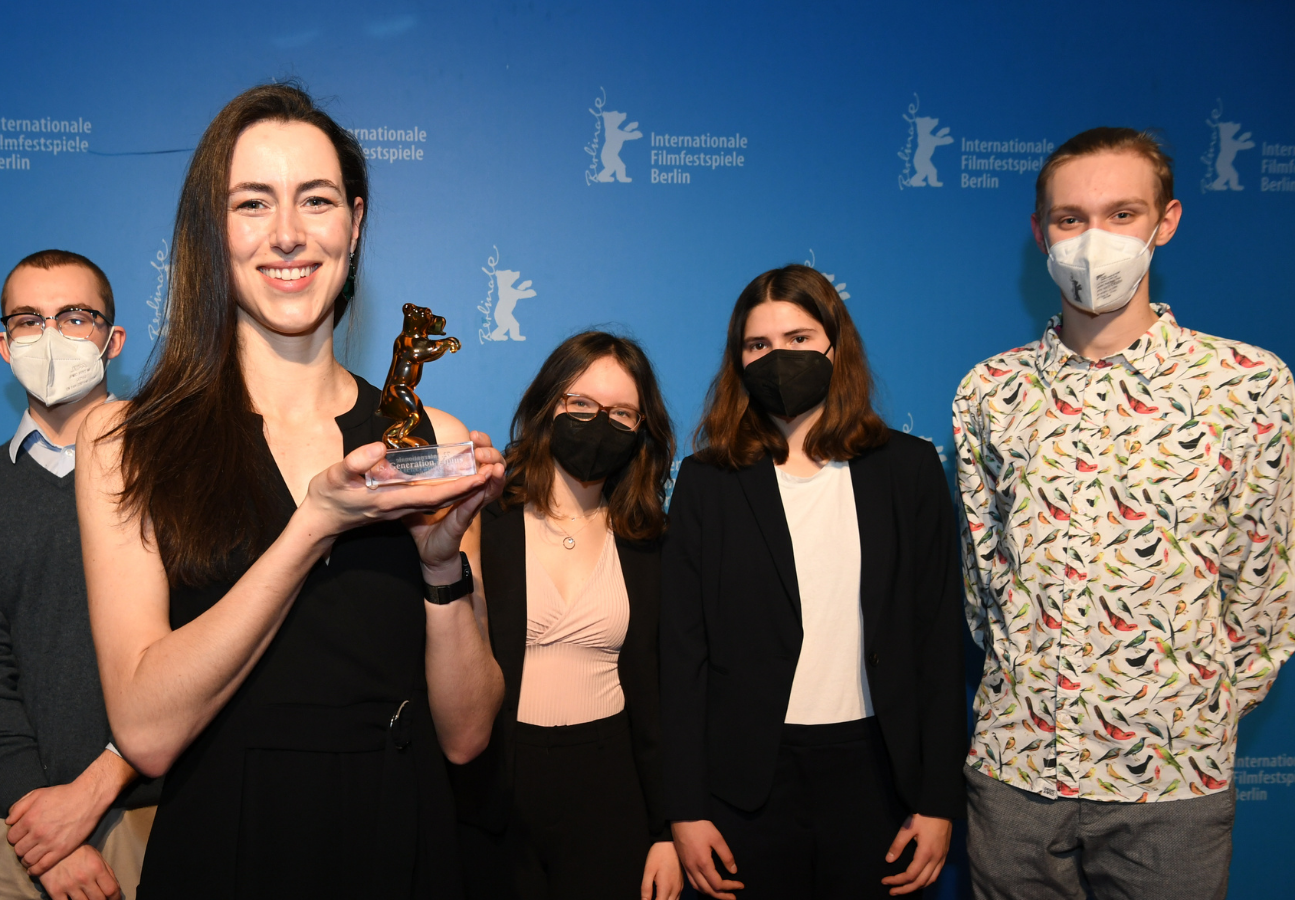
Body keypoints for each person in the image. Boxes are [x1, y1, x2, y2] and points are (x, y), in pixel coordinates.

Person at [75, 82, 505, 898]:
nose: (287, 235)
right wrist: (314, 525)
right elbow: (146, 729)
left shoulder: (430, 440)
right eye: (252, 204)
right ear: (213, 228)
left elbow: (468, 734)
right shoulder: (124, 440)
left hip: (400, 839)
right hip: (228, 842)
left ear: (356, 220)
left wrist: (443, 570)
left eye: (315, 200)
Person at [954, 127, 1295, 900]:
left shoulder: (1248, 386)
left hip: (1174, 784)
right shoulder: (989, 393)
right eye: (1071, 219)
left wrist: (1184, 703)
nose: (1092, 241)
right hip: (1016, 774)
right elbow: (985, 582)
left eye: (1121, 213)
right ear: (1041, 233)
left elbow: (1263, 593)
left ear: (1165, 222)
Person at [662, 265, 966, 899]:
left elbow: (936, 643)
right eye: (759, 345)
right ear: (738, 360)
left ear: (836, 345)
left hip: (878, 778)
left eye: (799, 338)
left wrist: (938, 801)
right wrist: (685, 808)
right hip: (746, 785)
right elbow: (682, 654)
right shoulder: (706, 481)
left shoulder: (907, 470)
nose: (779, 357)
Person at [0, 250, 162, 900]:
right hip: (16, 828)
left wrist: (97, 790)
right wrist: (44, 826)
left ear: (113, 340)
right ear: (5, 345)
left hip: (157, 811)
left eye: (75, 317)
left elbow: (203, 646)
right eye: (30, 321)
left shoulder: (176, 472)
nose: (52, 336)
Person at [452, 332, 682, 900]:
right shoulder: (486, 516)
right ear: (547, 404)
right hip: (493, 791)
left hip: (612, 788)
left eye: (622, 413)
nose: (598, 423)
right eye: (580, 404)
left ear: (641, 430)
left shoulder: (648, 539)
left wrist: (666, 831)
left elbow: (659, 693)